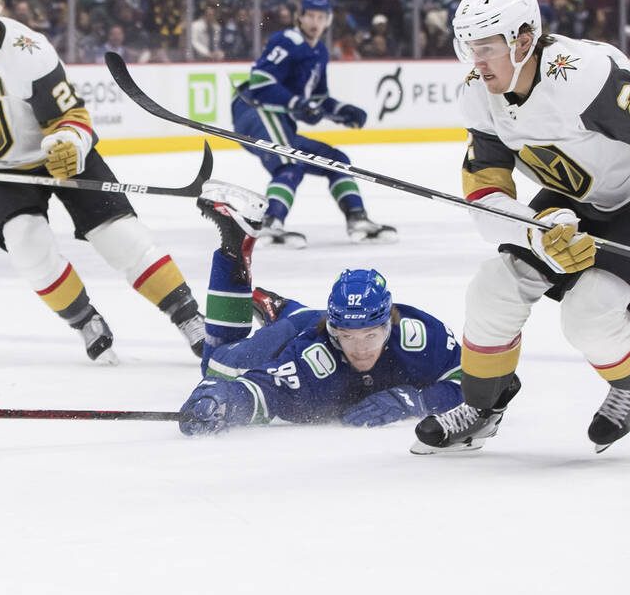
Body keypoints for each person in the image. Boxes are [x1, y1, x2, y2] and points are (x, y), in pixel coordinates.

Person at [412, 0, 630, 455]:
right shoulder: (478, 91)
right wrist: (536, 235)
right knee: (493, 287)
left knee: (589, 314)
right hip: (574, 199)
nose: (477, 61)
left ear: (525, 40)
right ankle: (483, 406)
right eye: (469, 46)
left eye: (488, 47)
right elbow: (485, 193)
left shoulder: (585, 76)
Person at [0, 0, 206, 363]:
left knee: (122, 239)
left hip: (60, 157)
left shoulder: (28, 53)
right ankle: (86, 321)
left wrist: (69, 142)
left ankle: (189, 317)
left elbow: (74, 117)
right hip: (2, 170)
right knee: (27, 248)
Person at [178, 181, 466, 435]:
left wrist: (417, 401)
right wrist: (222, 397)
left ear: (388, 325)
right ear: (333, 329)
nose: (360, 348)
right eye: (348, 336)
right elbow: (263, 391)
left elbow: (476, 379)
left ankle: (284, 309)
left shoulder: (421, 336)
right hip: (304, 328)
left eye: (370, 335)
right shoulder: (314, 356)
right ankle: (234, 245)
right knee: (216, 369)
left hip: (315, 321)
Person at [230, 0, 396, 248]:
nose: (316, 23)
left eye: (322, 17)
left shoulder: (319, 52)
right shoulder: (287, 39)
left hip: (281, 121)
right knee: (289, 165)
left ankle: (357, 219)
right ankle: (270, 224)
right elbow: (261, 83)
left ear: (328, 20)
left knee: (337, 161)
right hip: (256, 110)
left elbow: (317, 99)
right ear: (300, 16)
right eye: (311, 16)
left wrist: (342, 110)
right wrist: (297, 103)